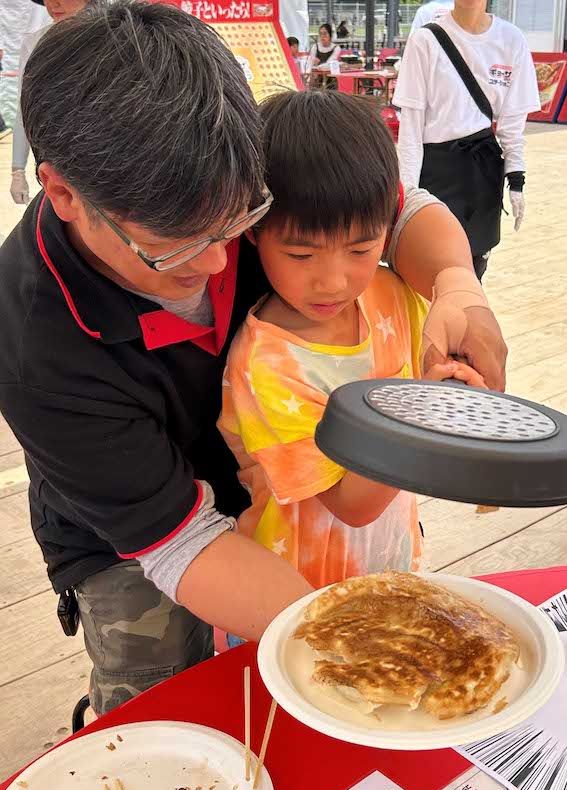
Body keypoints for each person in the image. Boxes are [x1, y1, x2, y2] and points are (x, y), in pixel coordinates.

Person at [0, 1, 507, 717]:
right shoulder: (35, 342)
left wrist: (458, 285)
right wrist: (356, 639)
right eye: (175, 244)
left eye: (239, 220)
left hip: (275, 486)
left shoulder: (230, 149)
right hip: (134, 523)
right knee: (158, 681)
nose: (217, 263)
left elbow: (395, 206)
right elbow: (180, 544)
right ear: (64, 195)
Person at [219, 91, 483, 590]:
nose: (334, 281)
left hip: (391, 560)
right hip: (298, 586)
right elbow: (351, 505)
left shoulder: (393, 295)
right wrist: (429, 406)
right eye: (301, 255)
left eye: (362, 248)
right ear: (254, 231)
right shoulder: (267, 363)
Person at [395, 0, 540, 281]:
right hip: (435, 172)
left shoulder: (511, 40)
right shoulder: (425, 39)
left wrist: (517, 179)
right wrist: (407, 195)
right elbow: (411, 129)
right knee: (428, 269)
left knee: (473, 271)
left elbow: (511, 126)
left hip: (482, 173)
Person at [10, 0, 89, 205]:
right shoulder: (35, 43)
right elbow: (24, 109)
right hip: (52, 163)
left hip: (104, 163)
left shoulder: (118, 36)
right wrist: (17, 170)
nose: (53, 3)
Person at [308, 23, 341, 88]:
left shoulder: (336, 48)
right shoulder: (315, 47)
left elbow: (330, 63)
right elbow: (310, 63)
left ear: (330, 35)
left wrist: (319, 65)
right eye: (320, 34)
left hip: (330, 80)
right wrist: (313, 62)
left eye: (325, 33)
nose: (322, 36)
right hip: (317, 80)